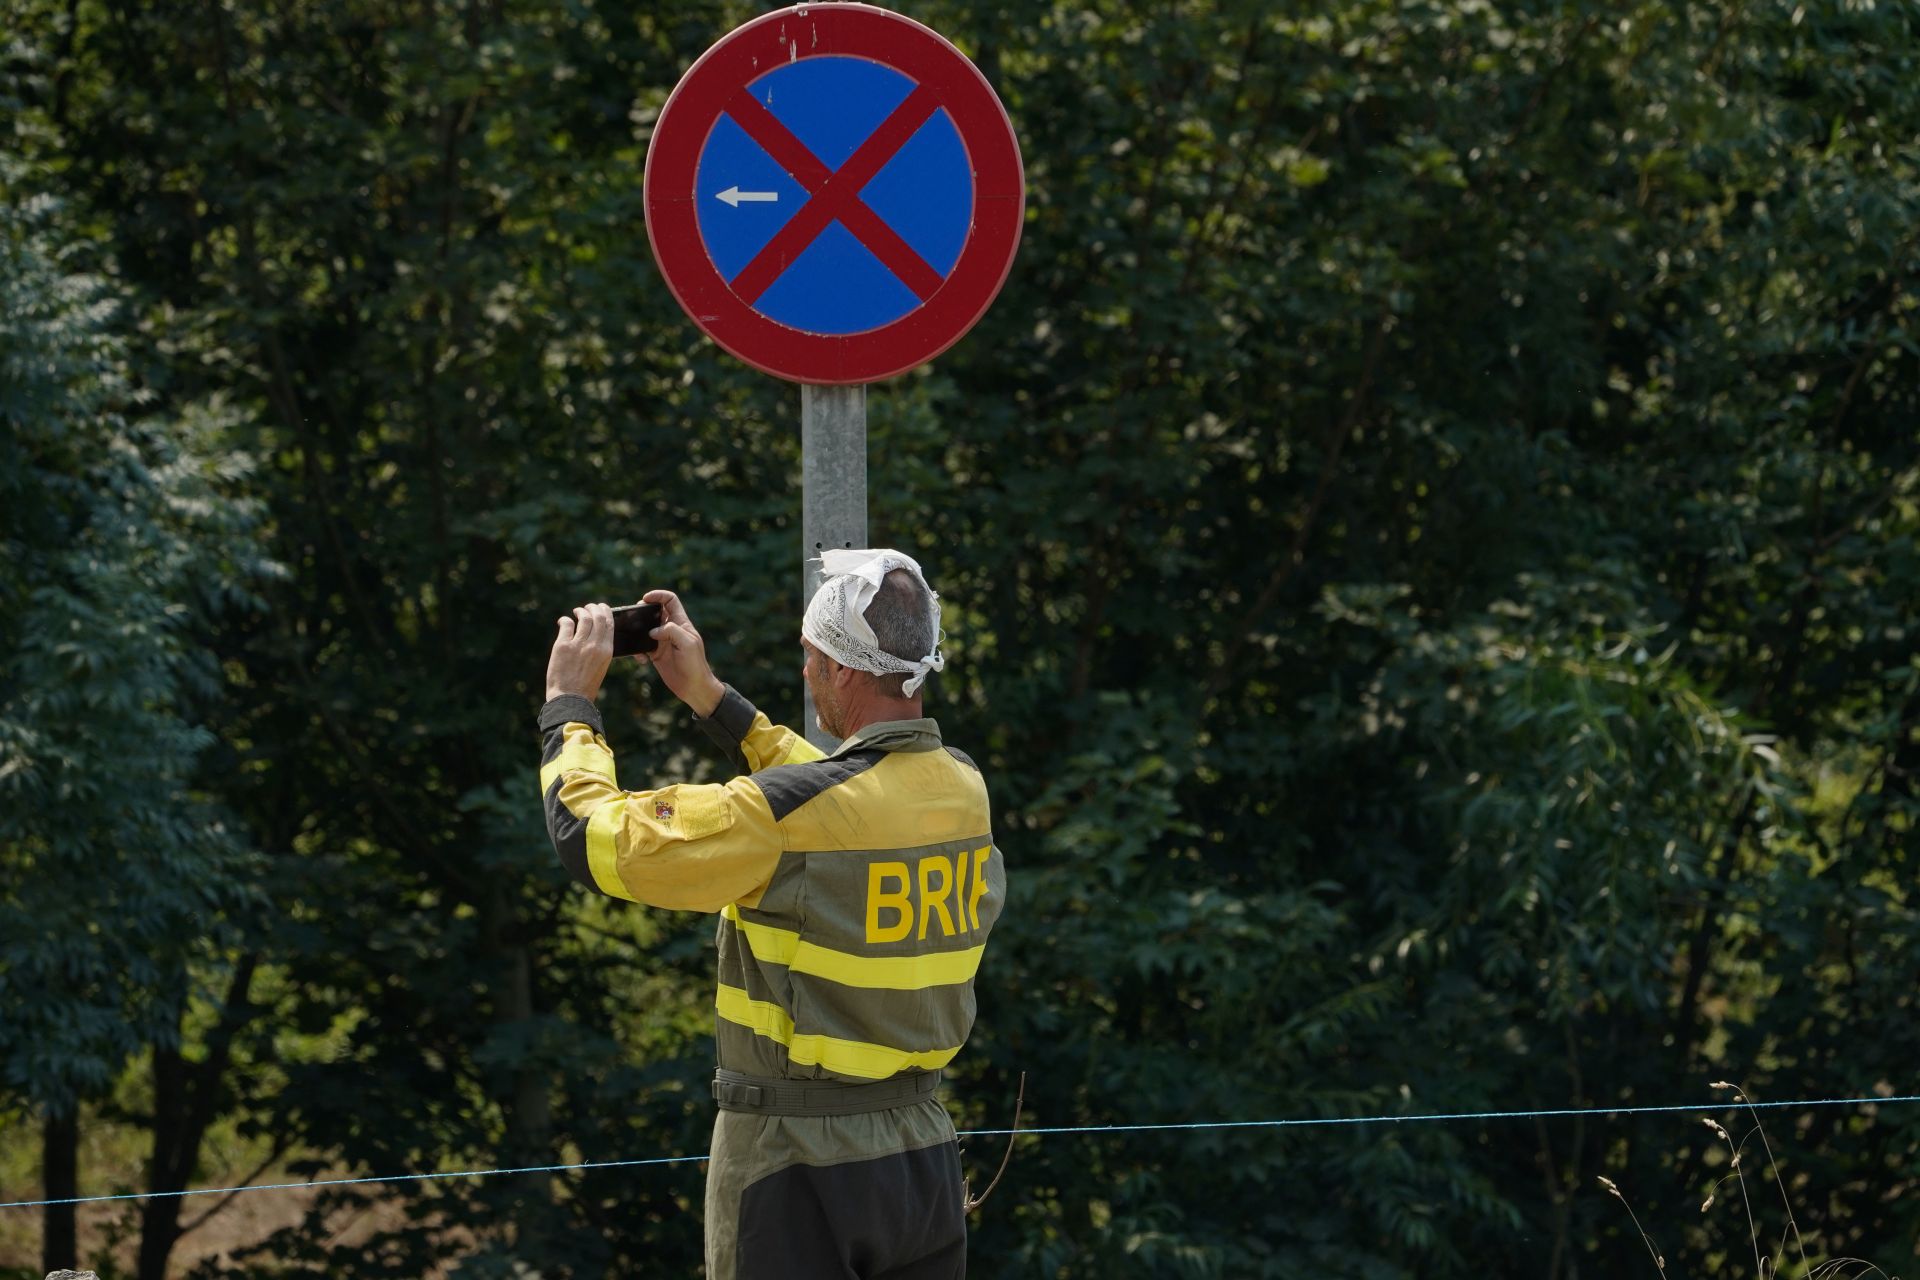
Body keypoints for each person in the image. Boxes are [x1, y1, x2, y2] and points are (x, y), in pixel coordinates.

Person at [537, 549, 1004, 1280]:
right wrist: (711, 697)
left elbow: (589, 837)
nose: (806, 671)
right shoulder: (961, 790)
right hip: (921, 1154)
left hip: (796, 1160)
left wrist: (570, 709)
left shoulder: (792, 818)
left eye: (811, 656)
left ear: (844, 670)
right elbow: (838, 794)